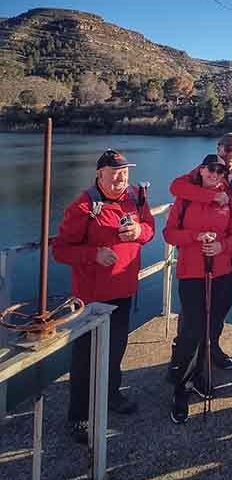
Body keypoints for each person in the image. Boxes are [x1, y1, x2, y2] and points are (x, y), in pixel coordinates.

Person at [52, 149, 155, 443]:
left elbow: (150, 229)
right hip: (91, 298)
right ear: (100, 174)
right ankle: (78, 416)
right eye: (114, 173)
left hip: (124, 289)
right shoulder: (83, 206)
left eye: (124, 172)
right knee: (85, 358)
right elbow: (60, 250)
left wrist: (138, 231)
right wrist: (94, 254)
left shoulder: (136, 197)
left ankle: (111, 394)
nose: (121, 178)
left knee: (116, 347)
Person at [163, 154, 232, 424]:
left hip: (220, 272)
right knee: (191, 331)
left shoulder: (229, 199)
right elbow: (169, 233)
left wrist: (223, 246)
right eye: (211, 169)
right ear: (201, 170)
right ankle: (181, 389)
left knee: (210, 328)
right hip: (191, 274)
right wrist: (194, 237)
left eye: (220, 171)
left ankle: (200, 377)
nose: (215, 174)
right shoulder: (185, 198)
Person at [169, 132, 232, 368]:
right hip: (197, 255)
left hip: (228, 252)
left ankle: (211, 348)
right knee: (193, 311)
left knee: (220, 305)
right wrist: (212, 197)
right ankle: (183, 355)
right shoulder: (204, 169)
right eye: (227, 149)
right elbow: (176, 187)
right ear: (219, 149)